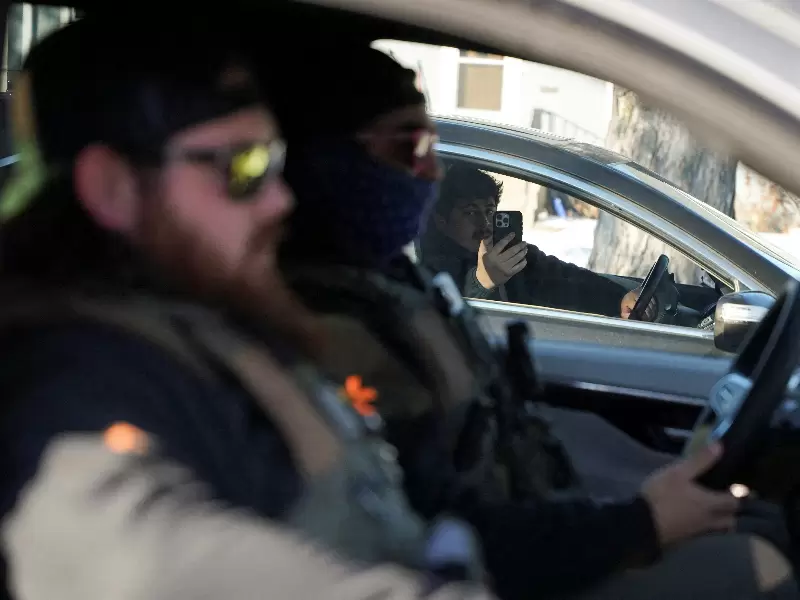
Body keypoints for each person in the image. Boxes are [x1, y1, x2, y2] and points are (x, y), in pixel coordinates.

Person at [267, 41, 798, 600]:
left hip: (541, 506)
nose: (429, 169)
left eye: (432, 146)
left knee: (756, 517)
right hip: (504, 563)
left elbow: (566, 282)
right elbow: (447, 526)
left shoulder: (394, 281)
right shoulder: (328, 326)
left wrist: (621, 300)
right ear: (325, 161)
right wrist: (640, 524)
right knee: (760, 563)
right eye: (410, 146)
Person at [0, 17, 495, 600]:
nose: (281, 199)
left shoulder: (213, 326)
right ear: (114, 187)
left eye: (275, 160)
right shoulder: (76, 375)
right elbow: (136, 559)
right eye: (244, 167)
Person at [422, 164, 652, 319]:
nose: (484, 222)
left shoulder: (513, 254)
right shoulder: (428, 268)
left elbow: (566, 279)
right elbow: (447, 323)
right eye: (471, 212)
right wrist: (482, 282)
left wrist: (619, 298)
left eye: (490, 211)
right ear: (441, 221)